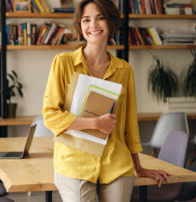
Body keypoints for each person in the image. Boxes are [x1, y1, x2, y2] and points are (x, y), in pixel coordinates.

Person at [42, 0, 170, 201]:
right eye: (86, 20)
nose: (93, 25)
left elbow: (130, 124)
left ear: (110, 23)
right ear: (80, 26)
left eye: (100, 18)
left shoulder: (124, 69)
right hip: (75, 163)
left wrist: (139, 167)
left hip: (116, 162)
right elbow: (50, 115)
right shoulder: (63, 63)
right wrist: (95, 123)